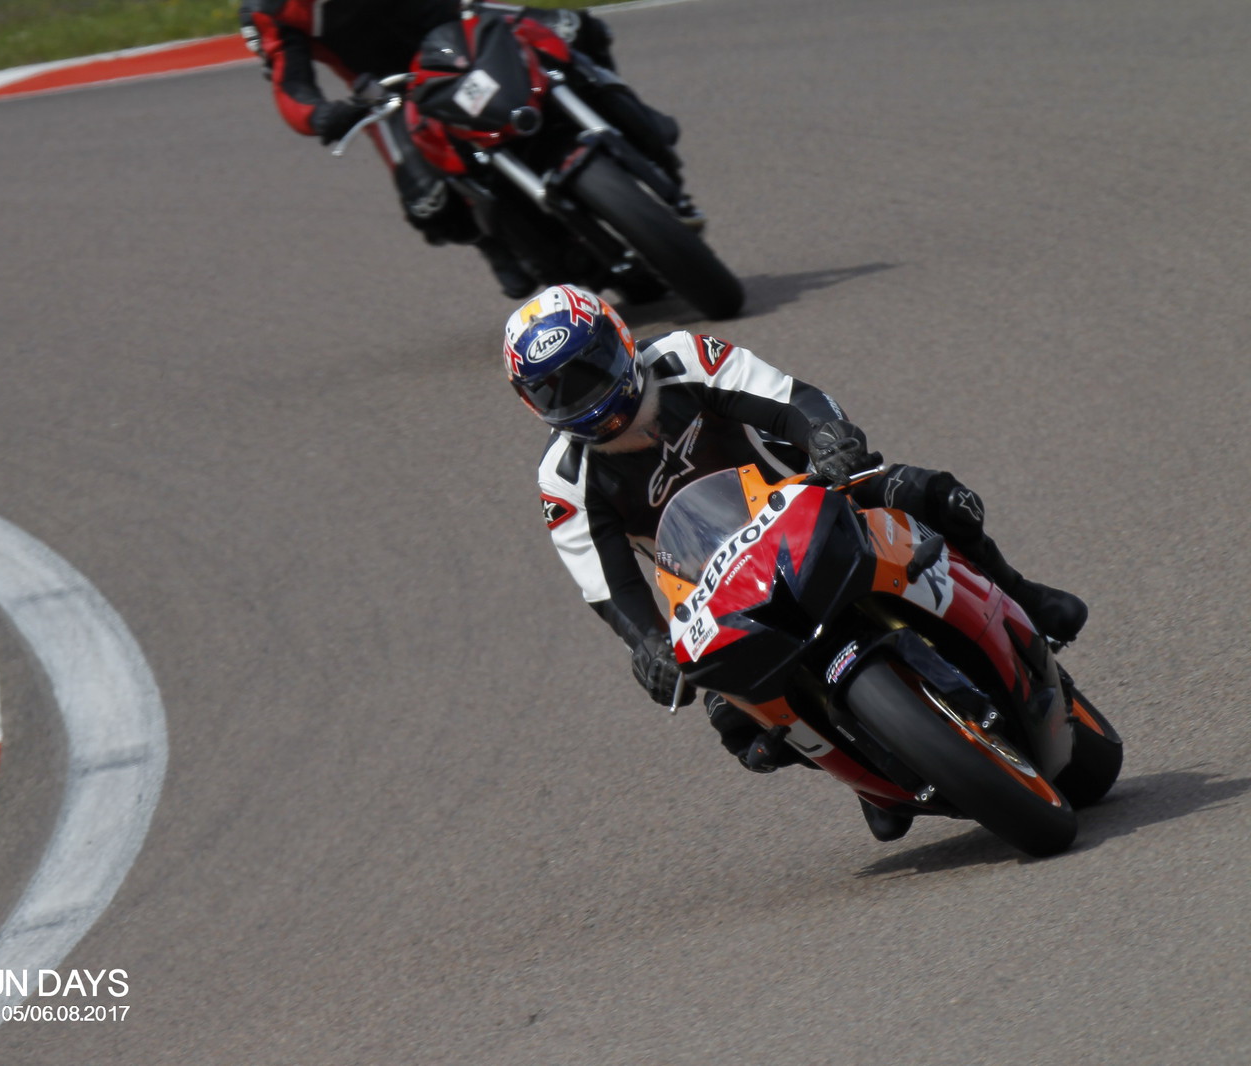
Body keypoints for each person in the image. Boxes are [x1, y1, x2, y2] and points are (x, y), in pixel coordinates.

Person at [504, 284, 1088, 842]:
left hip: (804, 504)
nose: (586, 397)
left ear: (621, 341)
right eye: (558, 391)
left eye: (592, 368)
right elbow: (609, 587)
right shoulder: (563, 480)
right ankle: (866, 767)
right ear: (532, 405)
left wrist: (828, 437)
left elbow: (789, 399)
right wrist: (648, 644)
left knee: (931, 495)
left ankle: (1024, 596)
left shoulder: (680, 357)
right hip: (713, 590)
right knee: (734, 722)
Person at [238, 0, 689, 298]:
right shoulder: (267, 11)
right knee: (428, 204)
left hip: (468, 29)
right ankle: (496, 243)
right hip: (393, 88)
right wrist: (322, 115)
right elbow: (289, 85)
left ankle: (633, 127)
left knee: (578, 31)